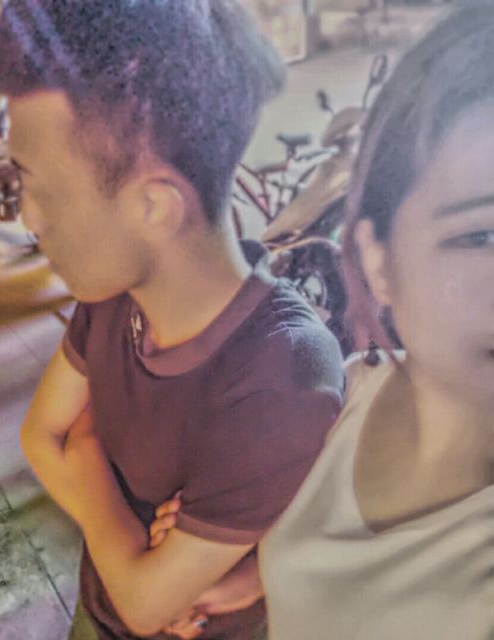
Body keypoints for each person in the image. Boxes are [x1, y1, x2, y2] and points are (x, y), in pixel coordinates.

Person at [0, 2, 345, 638]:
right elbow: (40, 436)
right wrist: (126, 549)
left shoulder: (284, 373)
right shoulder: (113, 298)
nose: (28, 218)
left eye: (39, 186)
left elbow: (147, 608)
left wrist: (86, 454)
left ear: (154, 206)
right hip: (96, 606)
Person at [153, 4, 494, 638]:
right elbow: (346, 565)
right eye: (483, 236)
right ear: (377, 259)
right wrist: (238, 574)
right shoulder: (346, 393)